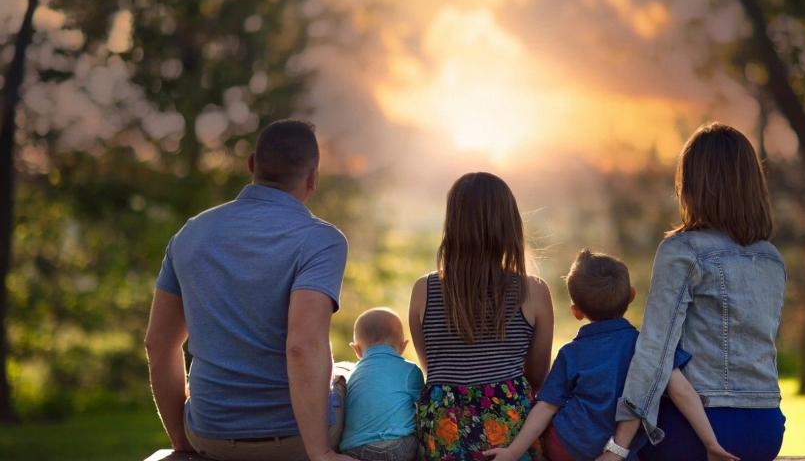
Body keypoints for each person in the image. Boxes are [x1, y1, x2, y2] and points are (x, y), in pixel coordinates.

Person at [145, 119, 357, 461]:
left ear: (252, 164)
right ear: (313, 177)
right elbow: (302, 347)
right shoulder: (321, 239)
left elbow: (158, 344)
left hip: (208, 436)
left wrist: (183, 444)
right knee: (353, 375)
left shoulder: (190, 234)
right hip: (295, 441)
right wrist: (320, 453)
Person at [597, 122, 787, 461]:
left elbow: (655, 351)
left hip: (705, 429)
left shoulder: (683, 250)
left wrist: (617, 446)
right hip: (768, 427)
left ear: (693, 185)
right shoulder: (771, 258)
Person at [483, 249, 738, 461]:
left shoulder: (571, 353)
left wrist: (514, 451)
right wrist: (711, 443)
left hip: (566, 446)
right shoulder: (648, 348)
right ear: (631, 296)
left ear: (576, 311)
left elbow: (547, 406)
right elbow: (682, 392)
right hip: (619, 450)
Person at [408, 172, 554, 461]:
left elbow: (434, 371)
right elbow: (537, 378)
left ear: (452, 225)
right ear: (510, 225)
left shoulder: (423, 290)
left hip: (444, 429)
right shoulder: (533, 291)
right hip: (510, 430)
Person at [340, 308, 424, 461]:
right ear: (402, 346)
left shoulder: (352, 374)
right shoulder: (410, 371)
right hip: (398, 447)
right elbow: (424, 406)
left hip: (356, 449)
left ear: (356, 349)